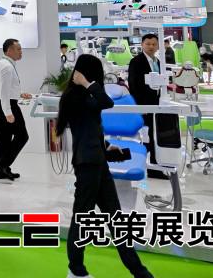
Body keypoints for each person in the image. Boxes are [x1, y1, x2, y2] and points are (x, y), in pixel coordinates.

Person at [57, 54, 154, 278]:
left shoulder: (85, 94)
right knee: (82, 218)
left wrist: (107, 145)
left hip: (98, 162)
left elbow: (91, 125)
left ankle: (139, 272)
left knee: (115, 218)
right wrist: (86, 83)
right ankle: (76, 270)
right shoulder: (76, 95)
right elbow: (106, 102)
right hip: (87, 164)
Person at [127, 34, 166, 179]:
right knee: (148, 136)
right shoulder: (136, 62)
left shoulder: (158, 62)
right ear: (142, 45)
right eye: (148, 44)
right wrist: (140, 107)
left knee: (155, 135)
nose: (151, 46)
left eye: (154, 44)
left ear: (158, 46)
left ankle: (154, 166)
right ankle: (151, 168)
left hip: (158, 104)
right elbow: (133, 85)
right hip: (144, 106)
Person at [0, 39, 31, 182]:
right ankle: (1, 164)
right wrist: (8, 112)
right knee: (22, 136)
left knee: (5, 139)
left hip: (3, 103)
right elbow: (4, 92)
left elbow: (6, 88)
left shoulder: (4, 63)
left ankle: (2, 171)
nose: (21, 52)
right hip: (7, 105)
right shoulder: (7, 67)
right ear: (9, 50)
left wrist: (19, 94)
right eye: (18, 49)